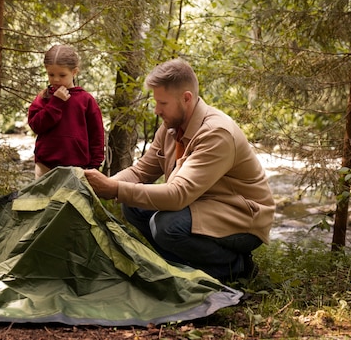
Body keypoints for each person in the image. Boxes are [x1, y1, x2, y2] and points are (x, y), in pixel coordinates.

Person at [84, 58, 275, 283]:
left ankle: (235, 268)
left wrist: (114, 188)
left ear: (186, 98)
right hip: (203, 205)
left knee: (166, 225)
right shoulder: (171, 128)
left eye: (162, 103)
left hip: (242, 218)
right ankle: (184, 270)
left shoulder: (216, 133)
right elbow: (140, 172)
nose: (157, 110)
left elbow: (177, 196)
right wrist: (103, 185)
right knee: (132, 205)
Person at [28, 44, 105, 178]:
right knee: (43, 199)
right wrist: (55, 103)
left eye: (62, 75)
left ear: (74, 72)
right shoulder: (44, 97)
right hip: (45, 166)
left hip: (77, 169)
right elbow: (36, 125)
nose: (56, 79)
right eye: (51, 74)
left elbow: (96, 135)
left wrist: (94, 167)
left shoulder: (86, 100)